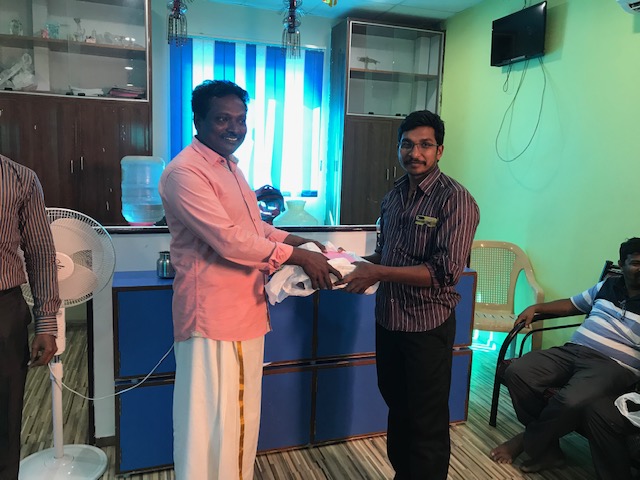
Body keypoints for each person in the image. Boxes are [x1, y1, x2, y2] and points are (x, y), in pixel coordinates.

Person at [158, 80, 340, 480]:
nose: (234, 128)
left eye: (240, 120)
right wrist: (299, 257)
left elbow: (255, 228)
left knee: (224, 421)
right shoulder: (186, 172)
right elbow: (229, 240)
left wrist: (306, 244)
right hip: (218, 319)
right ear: (198, 120)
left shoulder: (231, 168)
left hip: (241, 313)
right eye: (223, 119)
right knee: (222, 421)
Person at [337, 110, 480, 480]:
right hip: (389, 320)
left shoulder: (455, 200)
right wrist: (345, 263)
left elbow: (445, 272)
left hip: (427, 326)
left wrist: (377, 272)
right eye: (407, 144)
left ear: (439, 150)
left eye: (425, 145)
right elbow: (386, 255)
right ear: (398, 147)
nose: (415, 153)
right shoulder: (394, 197)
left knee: (425, 421)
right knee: (398, 409)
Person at [490, 237, 640, 474]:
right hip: (573, 350)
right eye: (636, 263)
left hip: (614, 365)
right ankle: (549, 451)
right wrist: (536, 308)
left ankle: (525, 441)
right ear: (621, 265)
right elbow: (572, 305)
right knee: (518, 372)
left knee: (570, 400)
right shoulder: (608, 286)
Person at [0, 154, 61, 480]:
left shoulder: (20, 179)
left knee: (5, 422)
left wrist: (46, 322)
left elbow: (41, 253)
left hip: (4, 313)